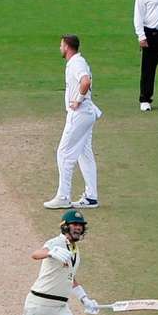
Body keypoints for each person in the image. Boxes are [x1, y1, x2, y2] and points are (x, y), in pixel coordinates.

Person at [44, 35, 102, 210]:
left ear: (67, 47)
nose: (60, 48)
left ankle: (63, 196)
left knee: (64, 153)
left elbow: (85, 81)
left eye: (61, 45)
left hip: (80, 114)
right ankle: (91, 197)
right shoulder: (77, 62)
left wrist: (77, 99)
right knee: (84, 153)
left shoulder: (77, 63)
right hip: (86, 113)